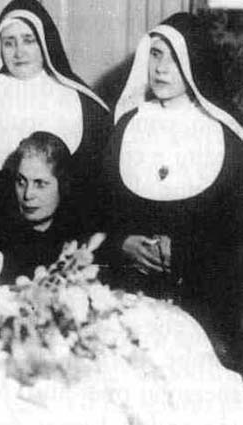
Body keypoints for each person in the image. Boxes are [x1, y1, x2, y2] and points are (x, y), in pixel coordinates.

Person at [103, 12, 243, 369]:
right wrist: (122, 242)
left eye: (175, 58)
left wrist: (183, 252)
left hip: (203, 300)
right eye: (155, 53)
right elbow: (99, 209)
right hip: (129, 291)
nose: (161, 68)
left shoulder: (227, 137)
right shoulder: (126, 127)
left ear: (196, 63)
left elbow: (234, 234)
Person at [0, 0, 110, 224]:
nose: (19, 52)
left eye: (29, 40)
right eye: (9, 43)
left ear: (45, 43)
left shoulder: (84, 104)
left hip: (67, 225)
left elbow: (96, 180)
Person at [0, 132, 88, 284]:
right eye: (21, 182)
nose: (27, 195)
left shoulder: (81, 240)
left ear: (63, 185)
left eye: (40, 184)